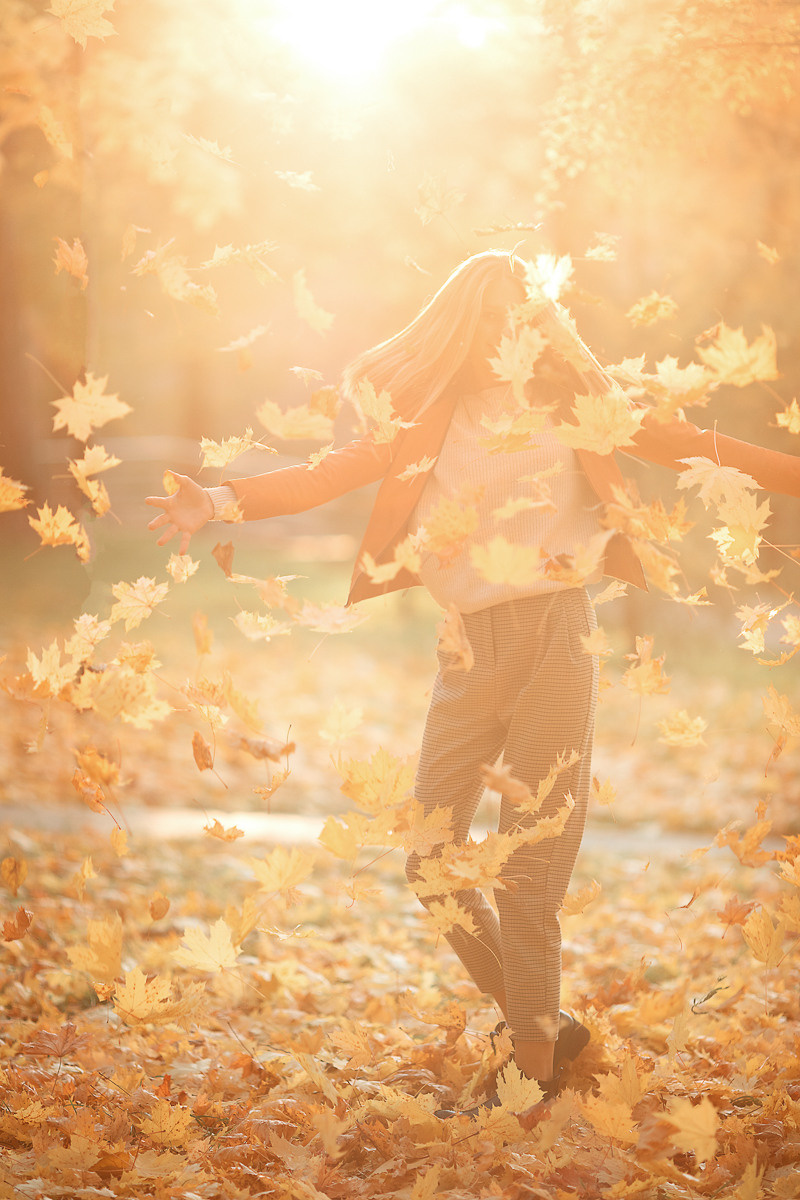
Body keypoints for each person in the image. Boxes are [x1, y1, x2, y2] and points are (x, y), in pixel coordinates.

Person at [146, 250, 800, 1117]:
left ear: (543, 326)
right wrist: (220, 499)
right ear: (463, 327)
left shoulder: (579, 409)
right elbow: (327, 473)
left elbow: (690, 444)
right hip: (468, 651)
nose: (507, 336)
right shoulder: (427, 415)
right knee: (430, 858)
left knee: (527, 873)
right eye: (490, 321)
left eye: (522, 319)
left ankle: (530, 1076)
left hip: (555, 641)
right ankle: (544, 1023)